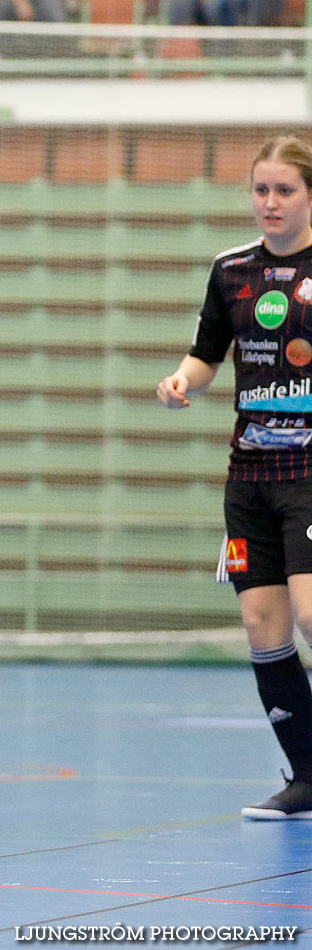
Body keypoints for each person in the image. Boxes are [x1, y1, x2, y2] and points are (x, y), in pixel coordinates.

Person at [157, 133, 312, 821]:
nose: (270, 203)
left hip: (310, 471)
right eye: (261, 190)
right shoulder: (230, 272)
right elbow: (205, 355)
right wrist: (180, 381)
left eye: (285, 190)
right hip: (249, 477)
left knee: (311, 611)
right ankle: (306, 777)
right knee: (262, 622)